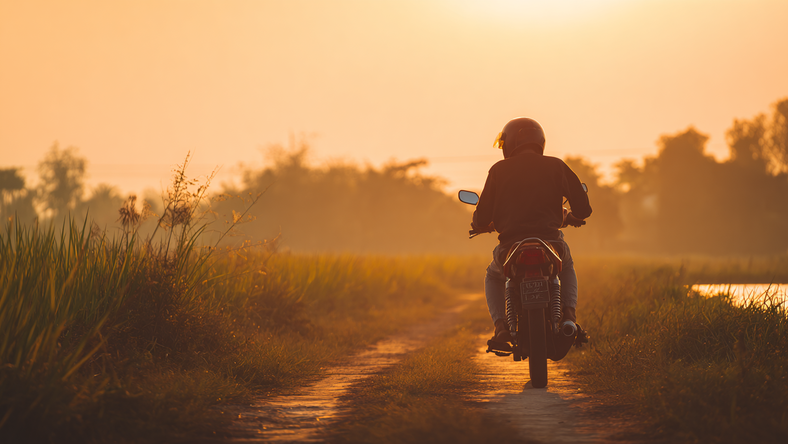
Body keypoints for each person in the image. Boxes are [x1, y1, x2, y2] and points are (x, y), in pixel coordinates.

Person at [471, 117, 592, 344]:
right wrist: (573, 215)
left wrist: (478, 223)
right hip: (551, 244)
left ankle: (501, 327)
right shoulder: (557, 166)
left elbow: (483, 216)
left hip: (510, 247)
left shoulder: (498, 170)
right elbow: (584, 209)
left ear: (510, 143)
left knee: (493, 276)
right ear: (539, 141)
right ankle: (569, 317)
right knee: (566, 266)